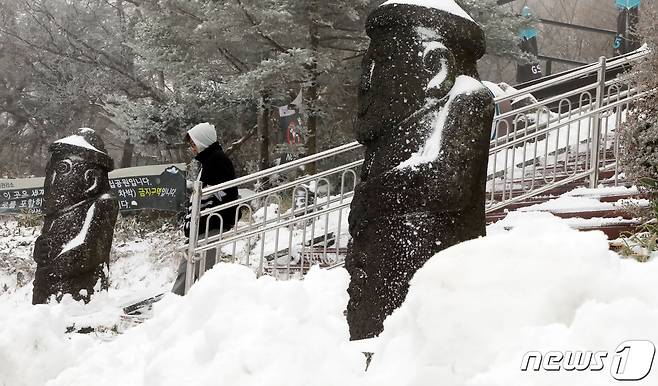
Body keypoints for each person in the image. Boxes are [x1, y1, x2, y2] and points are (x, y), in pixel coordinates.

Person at [171, 122, 240, 295]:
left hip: (210, 224)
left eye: (193, 143)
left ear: (203, 141)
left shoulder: (217, 160)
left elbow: (225, 192)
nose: (192, 148)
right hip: (203, 225)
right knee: (189, 270)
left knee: (200, 272)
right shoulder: (210, 160)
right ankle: (176, 306)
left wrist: (201, 196)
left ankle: (183, 307)